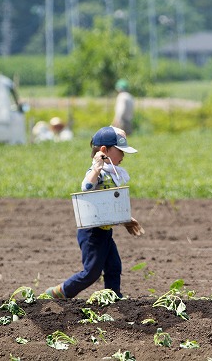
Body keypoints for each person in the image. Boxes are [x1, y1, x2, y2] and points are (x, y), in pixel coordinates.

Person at [45, 126, 144, 299]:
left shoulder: (112, 175)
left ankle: (114, 296)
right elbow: (86, 187)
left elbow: (110, 204)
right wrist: (97, 166)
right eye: (120, 151)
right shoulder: (96, 172)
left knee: (114, 266)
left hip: (105, 231)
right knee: (91, 273)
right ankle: (59, 292)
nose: (123, 156)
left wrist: (125, 219)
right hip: (91, 233)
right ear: (104, 151)